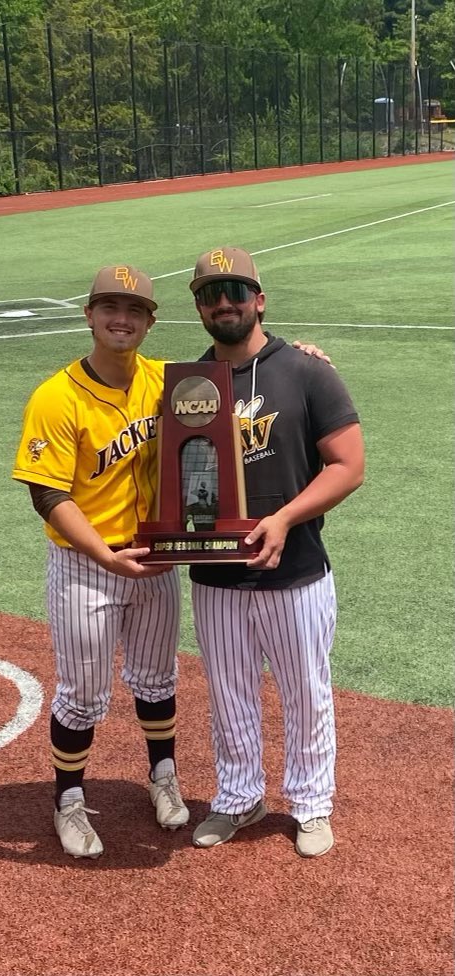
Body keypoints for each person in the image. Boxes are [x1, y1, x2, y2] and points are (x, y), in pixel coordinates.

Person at [188, 246, 364, 857]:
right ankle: (238, 797)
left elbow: (349, 466)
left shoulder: (307, 371)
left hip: (295, 572)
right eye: (210, 294)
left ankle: (311, 804)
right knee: (229, 693)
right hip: (214, 573)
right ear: (199, 307)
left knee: (305, 689)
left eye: (236, 289)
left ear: (259, 299)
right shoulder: (183, 382)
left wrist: (285, 518)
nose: (224, 302)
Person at [12, 265, 190, 859]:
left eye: (135, 310)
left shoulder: (165, 379)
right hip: (88, 566)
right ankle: (68, 802)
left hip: (156, 560)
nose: (123, 319)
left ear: (150, 321)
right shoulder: (56, 396)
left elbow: (235, 389)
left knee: (158, 680)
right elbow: (48, 494)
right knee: (84, 694)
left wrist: (301, 353)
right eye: (111, 307)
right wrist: (105, 558)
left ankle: (162, 775)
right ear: (89, 315)